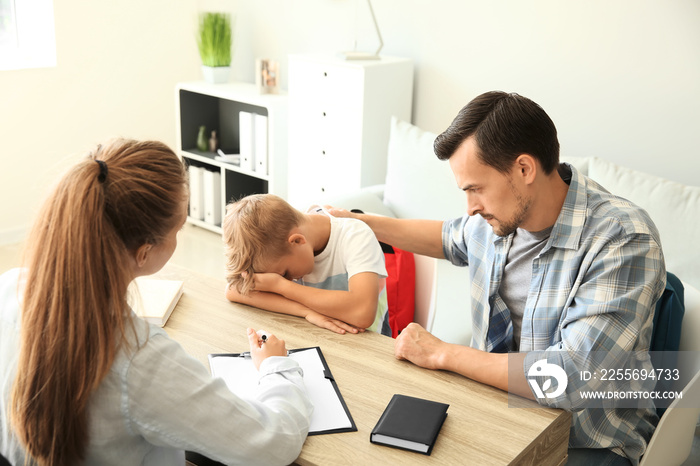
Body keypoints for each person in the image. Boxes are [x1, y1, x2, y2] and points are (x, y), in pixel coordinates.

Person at [328, 91, 665, 465]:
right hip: (495, 411)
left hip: (586, 439)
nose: (470, 206)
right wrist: (360, 224)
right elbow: (448, 237)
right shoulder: (498, 220)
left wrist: (443, 353)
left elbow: (570, 377)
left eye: (476, 188)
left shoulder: (623, 238)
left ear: (524, 169)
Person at [0, 140, 312, 466]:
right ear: (144, 252)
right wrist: (277, 368)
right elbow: (272, 444)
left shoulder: (9, 286)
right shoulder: (139, 361)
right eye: (179, 228)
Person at [223, 194, 390, 336]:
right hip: (316, 335)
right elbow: (233, 290)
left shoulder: (356, 236)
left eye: (284, 273)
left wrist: (280, 286)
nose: (287, 279)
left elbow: (362, 313)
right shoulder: (284, 240)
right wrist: (306, 311)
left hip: (367, 345)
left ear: (297, 241)